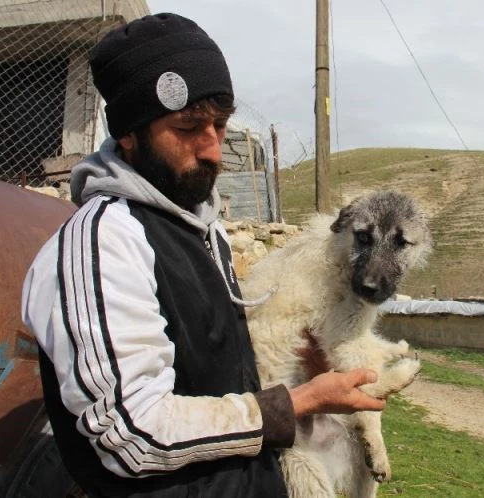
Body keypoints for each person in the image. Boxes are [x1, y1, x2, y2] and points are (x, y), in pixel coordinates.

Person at [21, 12, 385, 497]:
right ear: (129, 134)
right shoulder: (104, 242)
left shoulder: (200, 231)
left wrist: (309, 373)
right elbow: (131, 434)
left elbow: (210, 371)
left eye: (219, 123)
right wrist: (291, 404)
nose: (213, 148)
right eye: (189, 126)